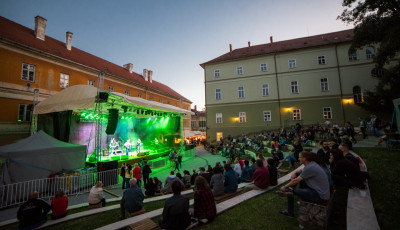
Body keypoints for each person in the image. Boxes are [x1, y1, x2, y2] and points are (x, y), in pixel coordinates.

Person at [277, 151, 330, 218]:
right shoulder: (312, 164)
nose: (298, 158)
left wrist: (285, 186)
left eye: (300, 157)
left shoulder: (309, 168)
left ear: (304, 159)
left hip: (319, 196)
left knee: (289, 190)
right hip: (321, 192)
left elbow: (296, 181)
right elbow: (302, 171)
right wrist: (295, 172)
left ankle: (290, 212)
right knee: (299, 179)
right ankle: (294, 191)